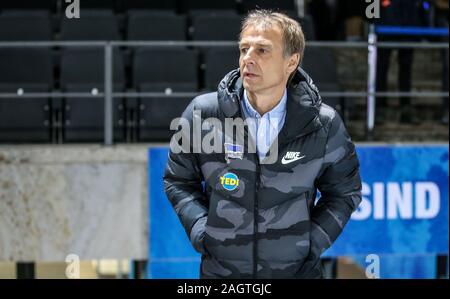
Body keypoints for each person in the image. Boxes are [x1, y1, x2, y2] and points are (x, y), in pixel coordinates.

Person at [164, 10, 362, 279]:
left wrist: (310, 244)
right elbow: (177, 180)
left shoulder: (324, 124)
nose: (248, 58)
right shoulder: (202, 114)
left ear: (291, 62)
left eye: (262, 50)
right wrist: (202, 231)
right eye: (244, 48)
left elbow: (345, 192)